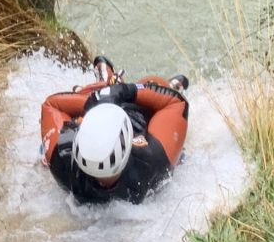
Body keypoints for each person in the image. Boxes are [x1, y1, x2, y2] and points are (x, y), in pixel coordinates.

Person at [40, 56, 189, 205]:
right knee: (154, 82)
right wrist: (122, 92)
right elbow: (176, 102)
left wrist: (100, 99)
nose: (102, 182)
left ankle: (104, 84)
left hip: (122, 113)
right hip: (137, 115)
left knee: (148, 85)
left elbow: (51, 105)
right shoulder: (153, 161)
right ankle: (107, 85)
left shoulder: (61, 157)